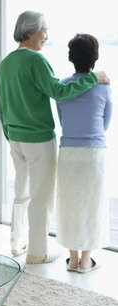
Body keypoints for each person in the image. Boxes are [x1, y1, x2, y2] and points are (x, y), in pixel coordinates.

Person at [0, 10, 110, 264]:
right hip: (37, 139)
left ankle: (17, 243)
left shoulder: (6, 63)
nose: (47, 35)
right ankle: (37, 252)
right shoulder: (35, 60)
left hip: (14, 138)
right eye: (44, 30)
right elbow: (59, 92)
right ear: (29, 32)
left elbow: (2, 104)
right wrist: (93, 77)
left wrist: (9, 134)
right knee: (42, 198)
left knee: (21, 194)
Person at [56, 34, 113, 273]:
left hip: (68, 151)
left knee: (69, 204)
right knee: (92, 204)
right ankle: (86, 261)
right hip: (93, 154)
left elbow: (62, 120)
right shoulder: (104, 87)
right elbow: (105, 123)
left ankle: (72, 258)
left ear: (71, 59)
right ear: (95, 58)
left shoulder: (63, 86)